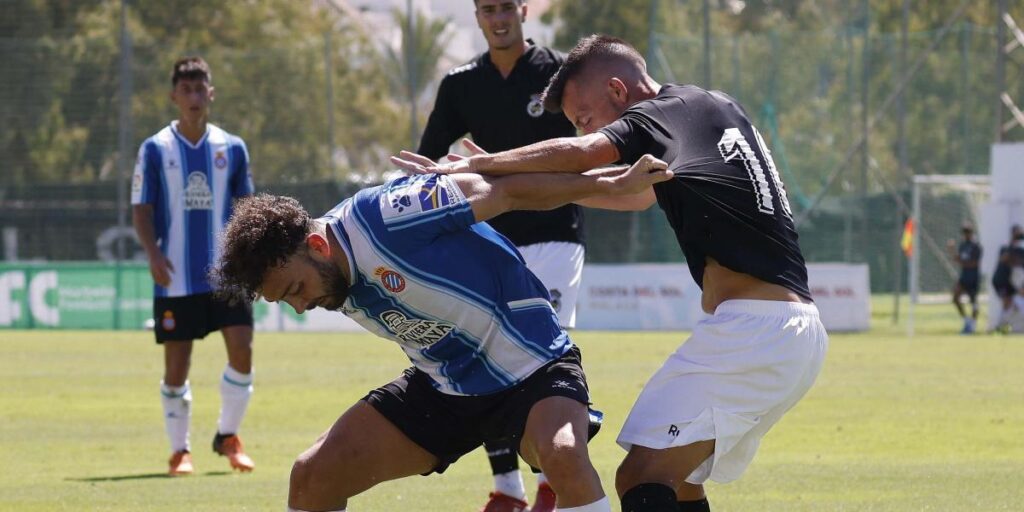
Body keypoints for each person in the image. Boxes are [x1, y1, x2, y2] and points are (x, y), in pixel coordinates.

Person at [392, 35, 829, 512]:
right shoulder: (705, 109)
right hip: (780, 330)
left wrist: (482, 164)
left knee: (640, 475)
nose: (584, 131)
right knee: (676, 480)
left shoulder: (664, 110)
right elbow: (629, 193)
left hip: (756, 331)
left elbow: (584, 156)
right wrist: (503, 189)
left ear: (618, 91)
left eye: (584, 119)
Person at [211, 158, 672, 512]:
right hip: (446, 387)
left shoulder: (383, 216)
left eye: (295, 289)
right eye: (283, 301)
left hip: (532, 365)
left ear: (317, 246)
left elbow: (503, 190)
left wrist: (606, 184)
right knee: (312, 477)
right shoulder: (323, 270)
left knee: (565, 455)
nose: (299, 305)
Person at [417, 0, 584, 509]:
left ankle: (549, 480)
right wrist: (447, 169)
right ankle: (506, 485)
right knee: (488, 350)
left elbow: (595, 140)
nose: (498, 17)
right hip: (493, 238)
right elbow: (429, 158)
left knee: (543, 355)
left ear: (524, 10)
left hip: (557, 233)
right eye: (488, 8)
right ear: (477, 15)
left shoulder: (560, 72)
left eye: (506, 6)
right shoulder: (460, 83)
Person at [131, 56, 256, 476]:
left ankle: (227, 436)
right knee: (176, 367)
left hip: (226, 274)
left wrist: (248, 259)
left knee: (242, 349)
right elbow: (142, 208)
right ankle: (179, 450)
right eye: (186, 90)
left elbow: (245, 208)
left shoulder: (231, 148)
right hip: (176, 275)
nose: (194, 97)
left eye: (200, 89)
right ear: (173, 96)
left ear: (211, 94)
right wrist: (152, 252)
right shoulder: (155, 149)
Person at [948, 223, 981, 334]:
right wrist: (952, 250)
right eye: (964, 232)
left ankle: (972, 325)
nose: (966, 234)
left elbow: (975, 263)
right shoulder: (963, 245)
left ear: (971, 232)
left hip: (973, 277)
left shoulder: (976, 246)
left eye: (967, 231)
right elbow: (958, 259)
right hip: (964, 276)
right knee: (955, 297)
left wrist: (962, 263)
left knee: (974, 303)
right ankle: (966, 321)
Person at [992, 224, 1024, 333]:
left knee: (1011, 303)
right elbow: (1004, 259)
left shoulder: (1021, 251)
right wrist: (1013, 243)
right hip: (1001, 280)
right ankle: (1001, 326)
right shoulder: (1005, 248)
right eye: (1018, 233)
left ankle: (1003, 326)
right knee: (1007, 302)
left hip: (1011, 282)